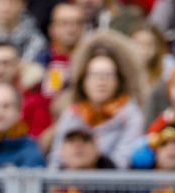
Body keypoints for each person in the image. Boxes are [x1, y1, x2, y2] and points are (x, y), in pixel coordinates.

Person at [47, 30, 145, 170]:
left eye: (108, 75)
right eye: (95, 74)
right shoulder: (72, 113)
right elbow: (56, 158)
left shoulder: (131, 115)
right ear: (83, 80)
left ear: (118, 80)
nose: (101, 81)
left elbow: (123, 162)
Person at [36, 2, 84, 100]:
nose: (71, 29)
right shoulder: (39, 61)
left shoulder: (91, 60)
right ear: (51, 29)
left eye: (77, 23)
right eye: (64, 23)